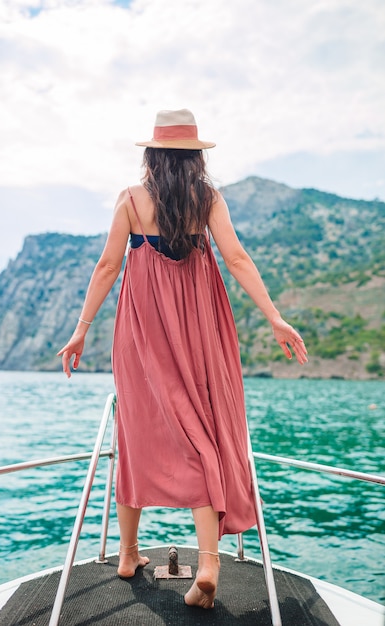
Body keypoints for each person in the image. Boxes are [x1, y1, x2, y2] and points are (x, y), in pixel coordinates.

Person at [58, 109, 308, 609]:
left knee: (136, 426)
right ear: (196, 156)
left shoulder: (131, 200)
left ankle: (127, 554)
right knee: (201, 429)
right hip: (200, 325)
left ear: (151, 153)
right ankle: (210, 562)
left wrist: (80, 331)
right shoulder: (208, 198)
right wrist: (275, 317)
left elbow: (109, 265)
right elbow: (236, 258)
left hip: (143, 329)